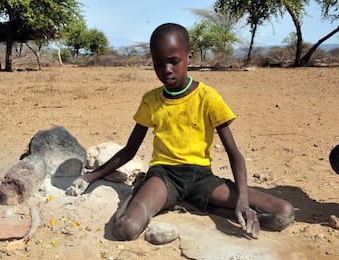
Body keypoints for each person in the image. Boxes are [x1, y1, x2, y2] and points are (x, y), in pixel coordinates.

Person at [67, 23, 295, 240]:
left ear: (189, 57)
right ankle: (153, 195)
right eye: (158, 64)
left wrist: (242, 201)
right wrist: (91, 177)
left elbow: (233, 152)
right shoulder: (151, 101)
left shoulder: (208, 98)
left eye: (174, 61)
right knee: (126, 228)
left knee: (283, 214)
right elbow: (129, 150)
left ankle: (200, 204)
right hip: (164, 178)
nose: (166, 70)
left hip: (202, 179)